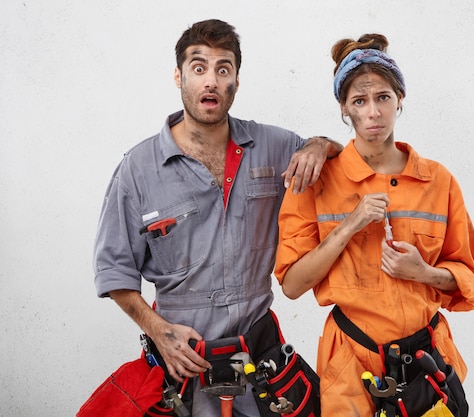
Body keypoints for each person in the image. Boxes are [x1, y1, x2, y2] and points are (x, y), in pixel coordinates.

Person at [93, 19, 341, 417]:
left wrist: (318, 144)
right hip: (183, 365)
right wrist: (158, 331)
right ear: (178, 75)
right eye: (198, 67)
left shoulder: (271, 146)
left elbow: (340, 156)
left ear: (236, 82)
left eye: (223, 69)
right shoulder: (139, 170)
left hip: (260, 363)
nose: (210, 80)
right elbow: (112, 271)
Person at [274, 34, 474, 416]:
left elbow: (466, 276)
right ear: (344, 109)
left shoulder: (438, 181)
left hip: (428, 365)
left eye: (383, 97)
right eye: (359, 101)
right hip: (351, 366)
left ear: (399, 100)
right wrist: (348, 226)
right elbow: (291, 284)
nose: (373, 113)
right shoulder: (316, 181)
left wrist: (425, 273)